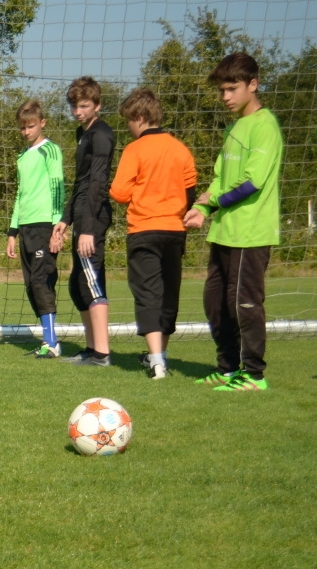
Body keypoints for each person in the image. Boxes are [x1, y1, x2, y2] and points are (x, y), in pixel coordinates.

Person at [183, 53, 284, 392]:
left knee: (244, 304)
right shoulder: (233, 127)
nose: (225, 97)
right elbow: (220, 179)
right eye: (222, 90)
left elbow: (251, 183)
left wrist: (213, 203)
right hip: (224, 232)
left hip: (250, 233)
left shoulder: (264, 125)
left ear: (253, 85)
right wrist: (203, 210)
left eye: (232, 89)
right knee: (216, 303)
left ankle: (254, 375)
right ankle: (227, 368)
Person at [109, 88, 198, 380]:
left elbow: (120, 193)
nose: (128, 128)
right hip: (174, 231)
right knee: (169, 294)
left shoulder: (134, 150)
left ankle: (156, 362)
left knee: (147, 292)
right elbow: (190, 192)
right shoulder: (180, 148)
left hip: (144, 230)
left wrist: (141, 188)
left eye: (128, 122)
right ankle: (160, 356)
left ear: (141, 117)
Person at [52, 77, 116, 367]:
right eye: (74, 106)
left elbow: (98, 184)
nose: (78, 111)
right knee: (78, 284)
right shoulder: (83, 133)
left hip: (94, 218)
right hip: (80, 216)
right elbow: (80, 182)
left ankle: (102, 354)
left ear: (97, 105)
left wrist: (88, 229)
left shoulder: (101, 134)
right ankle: (91, 350)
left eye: (84, 106)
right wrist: (65, 219)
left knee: (91, 281)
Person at [6, 100, 66, 358]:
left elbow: (57, 188)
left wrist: (57, 229)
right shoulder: (22, 157)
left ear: (42, 123)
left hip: (45, 225)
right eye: (22, 127)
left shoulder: (50, 150)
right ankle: (47, 340)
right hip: (25, 227)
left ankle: (51, 342)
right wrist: (12, 232)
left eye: (31, 126)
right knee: (31, 284)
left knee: (42, 281)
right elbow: (20, 194)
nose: (27, 131)